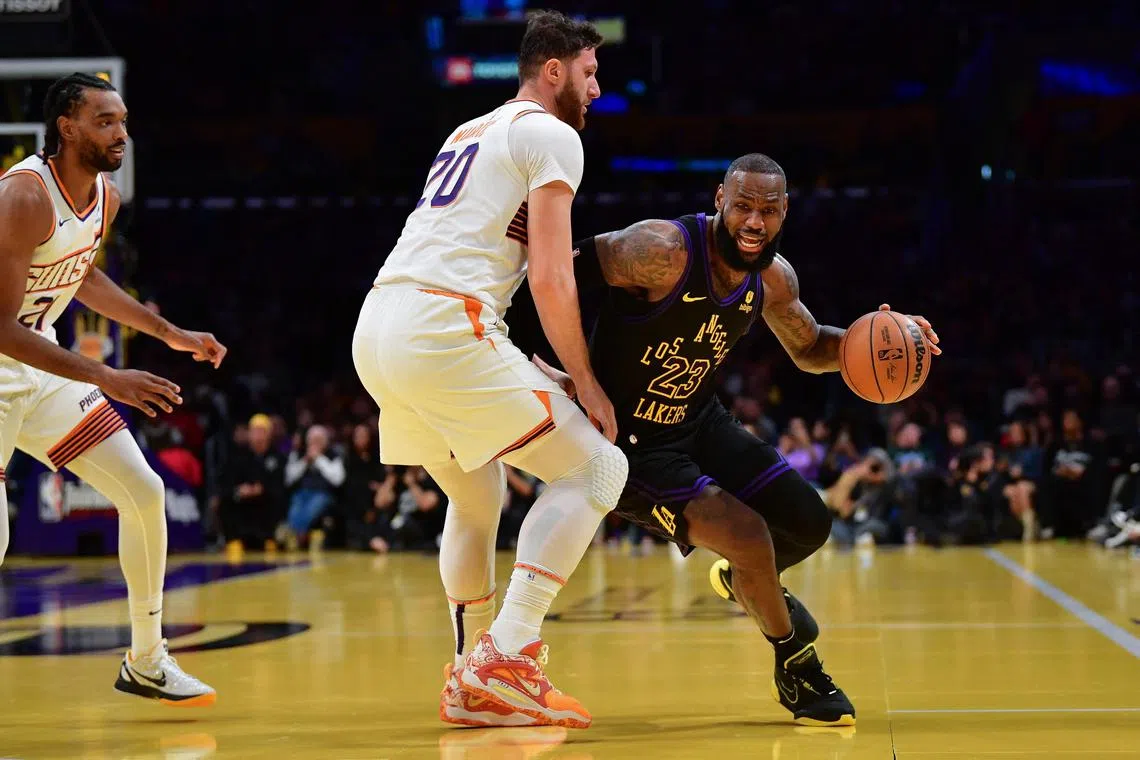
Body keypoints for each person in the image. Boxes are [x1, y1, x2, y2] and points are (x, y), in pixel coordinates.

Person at [541, 153, 941, 725]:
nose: (755, 222)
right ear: (720, 200)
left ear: (784, 215)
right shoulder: (661, 251)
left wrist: (885, 341)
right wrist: (564, 373)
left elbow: (809, 348)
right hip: (628, 445)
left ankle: (740, 580)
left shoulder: (774, 280)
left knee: (810, 522)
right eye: (744, 207)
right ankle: (797, 671)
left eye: (769, 211)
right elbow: (554, 273)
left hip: (698, 421)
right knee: (750, 534)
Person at [351, 11, 627, 729]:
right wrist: (586, 380)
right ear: (556, 70)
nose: (598, 89)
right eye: (592, 73)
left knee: (477, 496)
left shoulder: (468, 130)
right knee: (597, 469)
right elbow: (549, 279)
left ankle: (471, 674)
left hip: (380, 323)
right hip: (442, 327)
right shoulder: (553, 134)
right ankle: (504, 658)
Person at [0, 73, 225, 705]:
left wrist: (167, 332)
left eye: (122, 119)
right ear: (67, 127)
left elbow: (82, 277)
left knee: (143, 489)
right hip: (3, 357)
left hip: (37, 366)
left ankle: (147, 660)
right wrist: (104, 374)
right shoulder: (23, 196)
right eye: (105, 120)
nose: (121, 132)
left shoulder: (105, 197)